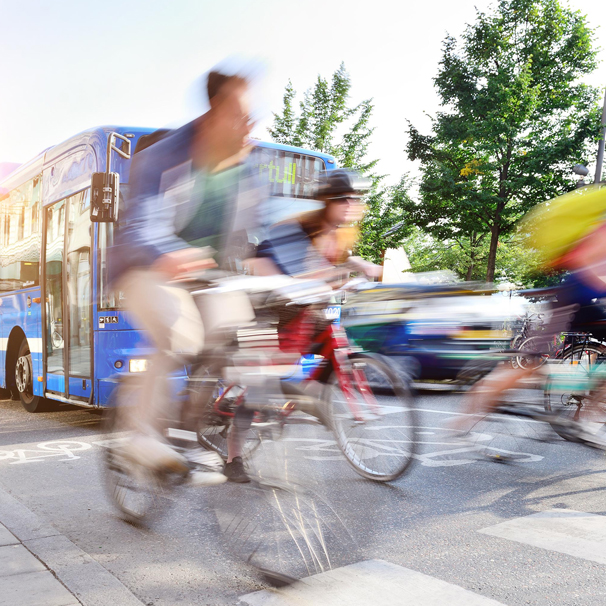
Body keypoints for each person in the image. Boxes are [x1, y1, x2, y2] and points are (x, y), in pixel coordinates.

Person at [108, 66, 263, 485]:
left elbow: (257, 237)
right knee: (181, 337)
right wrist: (171, 253)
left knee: (245, 338)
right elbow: (141, 224)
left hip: (205, 275)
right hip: (145, 266)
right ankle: (139, 438)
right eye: (241, 115)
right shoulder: (162, 156)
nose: (251, 124)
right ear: (214, 113)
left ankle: (190, 434)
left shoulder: (243, 171)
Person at [248, 169, 381, 282]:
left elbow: (342, 259)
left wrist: (362, 264)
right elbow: (259, 261)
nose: (350, 204)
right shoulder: (294, 230)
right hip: (276, 309)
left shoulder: (340, 235)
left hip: (309, 308)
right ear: (326, 201)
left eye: (355, 199)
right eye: (341, 198)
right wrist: (290, 286)